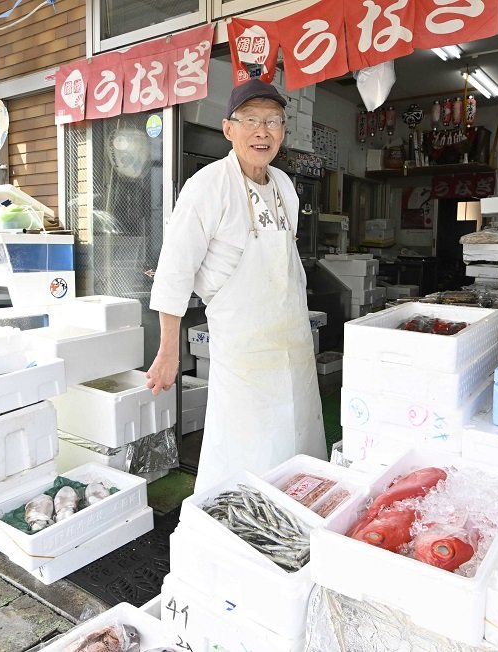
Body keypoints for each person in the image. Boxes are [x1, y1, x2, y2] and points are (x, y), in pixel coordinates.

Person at [146, 78, 327, 492]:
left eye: (273, 121)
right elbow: (175, 269)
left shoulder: (285, 187)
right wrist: (168, 350)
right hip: (244, 350)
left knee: (299, 432)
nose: (262, 132)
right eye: (250, 120)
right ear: (229, 128)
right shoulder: (207, 186)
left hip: (292, 342)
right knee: (245, 445)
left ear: (283, 130)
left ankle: (300, 515)